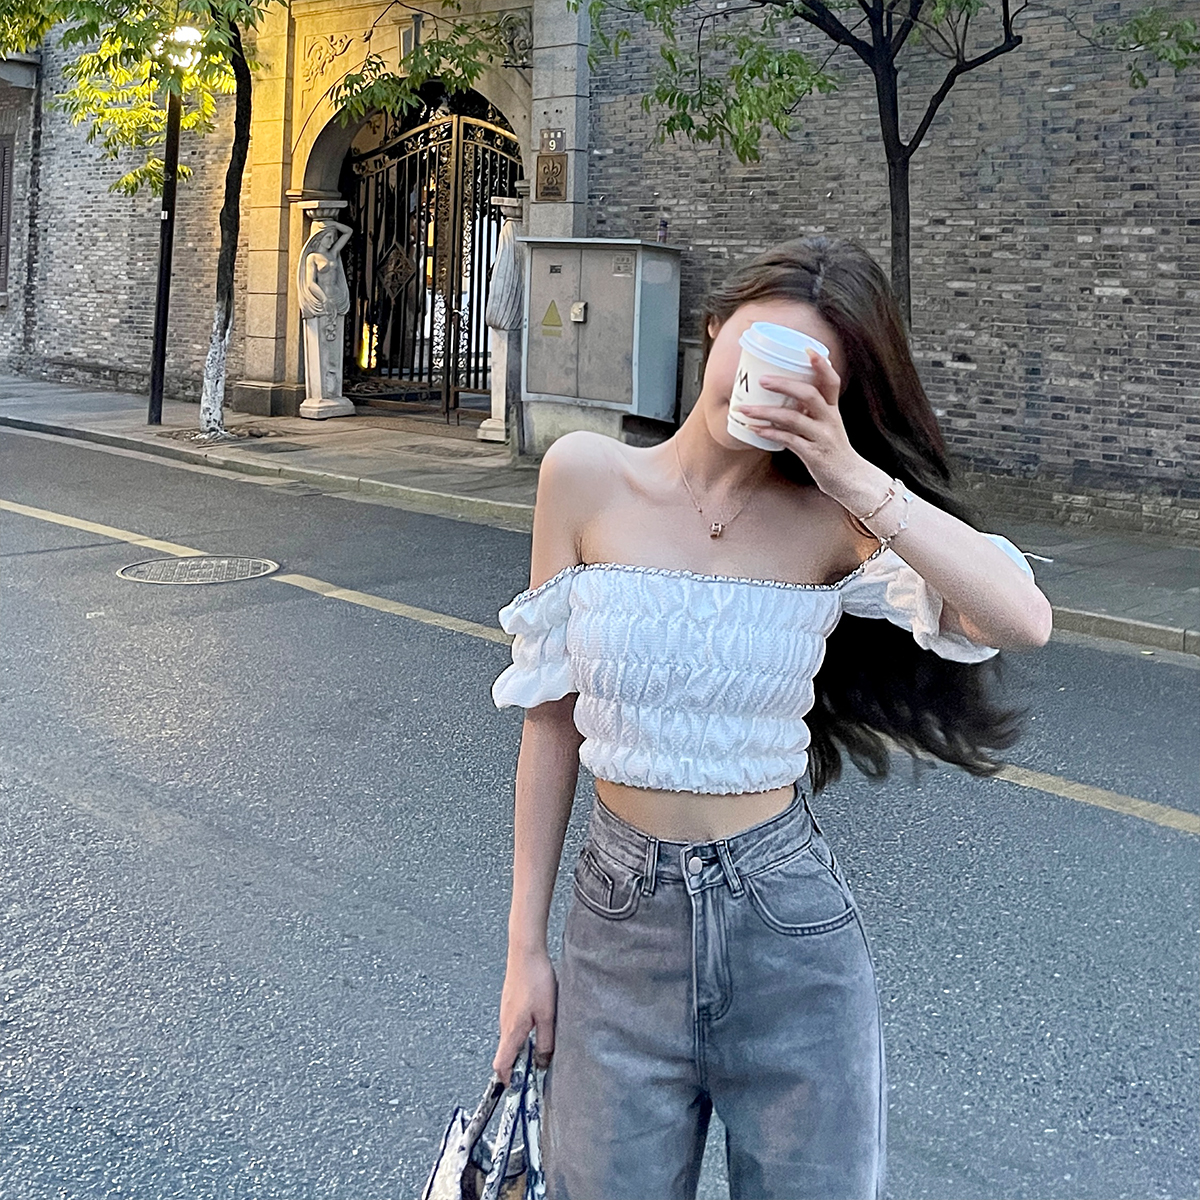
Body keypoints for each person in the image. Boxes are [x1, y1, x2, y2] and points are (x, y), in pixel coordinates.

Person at [489, 237, 1052, 1200]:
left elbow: (1018, 619)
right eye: (761, 350)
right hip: (620, 926)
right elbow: (549, 727)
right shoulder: (584, 477)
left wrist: (850, 474)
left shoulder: (833, 520)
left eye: (809, 375)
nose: (769, 386)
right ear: (715, 329)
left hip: (788, 928)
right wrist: (524, 952)